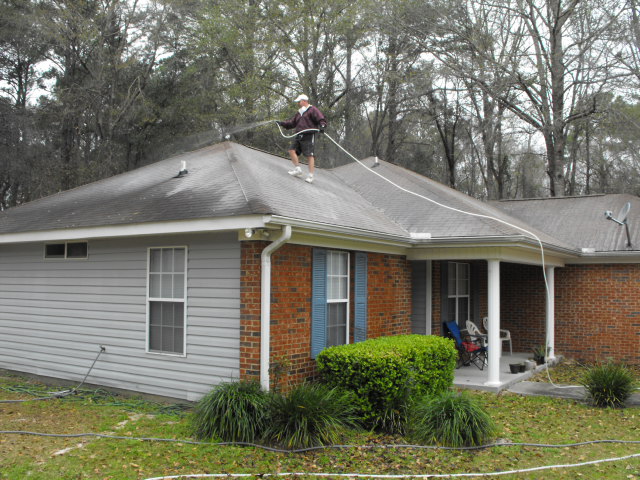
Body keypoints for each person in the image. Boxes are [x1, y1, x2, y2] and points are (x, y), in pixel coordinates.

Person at [277, 94, 327, 184]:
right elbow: (292, 123)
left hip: (308, 135)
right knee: (292, 150)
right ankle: (297, 169)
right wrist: (282, 123)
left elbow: (321, 118)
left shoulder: (312, 110)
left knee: (309, 155)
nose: (299, 103)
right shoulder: (300, 112)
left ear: (304, 101)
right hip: (299, 134)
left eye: (299, 101)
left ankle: (311, 176)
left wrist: (322, 125)